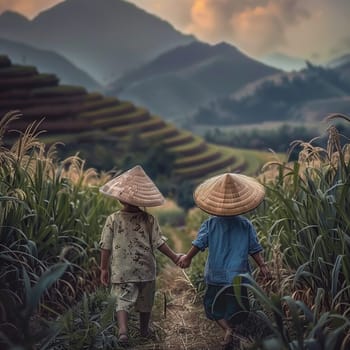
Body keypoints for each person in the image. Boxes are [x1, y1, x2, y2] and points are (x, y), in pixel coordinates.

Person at [177, 172, 271, 348]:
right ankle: (233, 330)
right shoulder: (245, 224)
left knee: (213, 307)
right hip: (239, 276)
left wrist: (187, 258)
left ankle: (227, 330)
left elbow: (198, 244)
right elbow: (254, 248)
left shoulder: (210, 224)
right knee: (238, 308)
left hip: (216, 275)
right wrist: (263, 265)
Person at [99, 165, 182, 345]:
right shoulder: (149, 219)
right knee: (146, 301)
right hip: (145, 269)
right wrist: (175, 257)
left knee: (122, 300)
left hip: (122, 269)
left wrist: (103, 268)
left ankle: (123, 331)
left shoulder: (113, 219)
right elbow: (159, 242)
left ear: (121, 199)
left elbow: (105, 246)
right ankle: (144, 330)